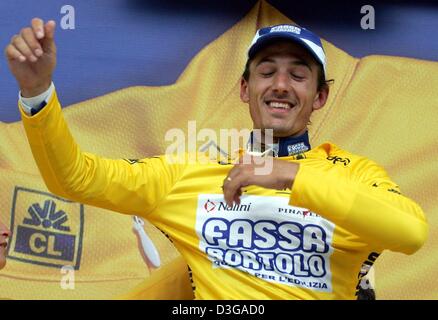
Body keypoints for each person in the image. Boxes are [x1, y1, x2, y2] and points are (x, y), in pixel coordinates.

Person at [5, 18, 428, 300]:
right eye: (266, 72)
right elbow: (76, 179)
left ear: (319, 97)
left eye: (298, 75)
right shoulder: (191, 173)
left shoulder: (353, 173)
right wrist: (38, 91)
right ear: (245, 90)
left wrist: (291, 176)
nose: (281, 84)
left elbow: (409, 232)